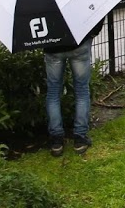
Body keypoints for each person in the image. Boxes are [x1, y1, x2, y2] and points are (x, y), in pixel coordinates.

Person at [44, 20, 103, 157]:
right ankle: (80, 138)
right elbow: (98, 11)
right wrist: (93, 33)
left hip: (52, 46)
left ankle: (56, 140)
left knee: (53, 92)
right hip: (79, 43)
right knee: (82, 90)